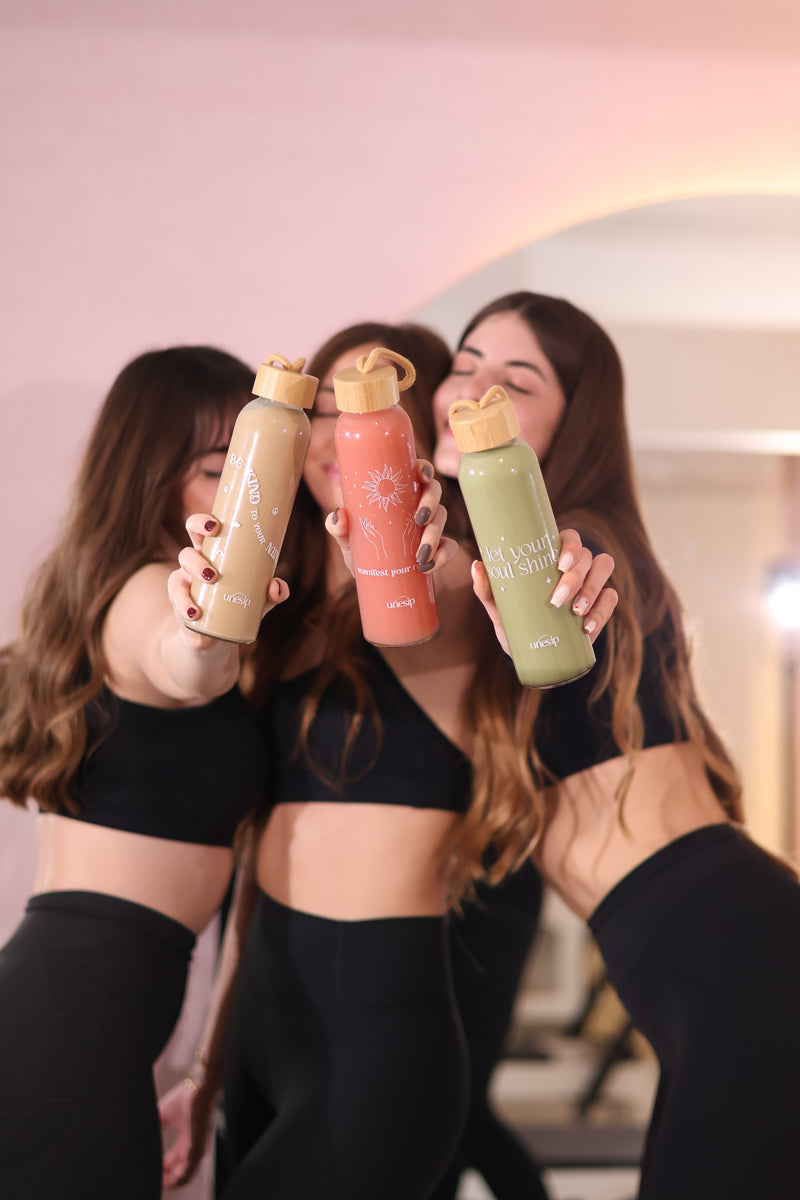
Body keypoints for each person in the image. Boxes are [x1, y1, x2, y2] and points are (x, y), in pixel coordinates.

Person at [159, 319, 616, 1200]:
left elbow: (453, 569)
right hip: (260, 1009)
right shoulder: (277, 617)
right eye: (325, 405)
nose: (339, 432)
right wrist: (208, 1068)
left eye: (373, 412)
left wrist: (429, 532)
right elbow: (259, 860)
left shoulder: (442, 584)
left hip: (376, 1023)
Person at [437, 292, 800, 1200]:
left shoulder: (577, 546)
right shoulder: (481, 561)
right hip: (709, 959)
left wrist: (565, 587)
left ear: (573, 421)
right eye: (464, 361)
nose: (472, 390)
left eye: (516, 382)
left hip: (735, 957)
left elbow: (567, 575)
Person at [0, 346, 280, 1200]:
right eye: (212, 469)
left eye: (253, 466)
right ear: (149, 472)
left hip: (90, 1008)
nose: (243, 491)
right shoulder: (149, 591)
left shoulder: (109, 585)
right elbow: (182, 660)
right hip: (75, 1013)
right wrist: (206, 633)